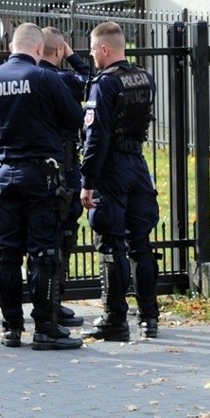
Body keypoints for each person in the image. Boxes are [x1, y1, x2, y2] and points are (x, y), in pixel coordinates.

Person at [0, 22, 85, 350]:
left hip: (6, 174)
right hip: (42, 175)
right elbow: (75, 120)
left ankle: (11, 328)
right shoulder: (45, 78)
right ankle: (45, 328)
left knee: (7, 253)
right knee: (44, 253)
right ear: (39, 49)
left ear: (12, 46)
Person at [79, 21, 161, 341]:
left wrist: (87, 180)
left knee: (111, 243)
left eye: (92, 49)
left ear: (104, 49)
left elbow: (96, 136)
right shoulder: (144, 77)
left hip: (111, 168)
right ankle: (149, 317)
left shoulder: (104, 85)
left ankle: (115, 318)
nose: (90, 55)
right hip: (137, 165)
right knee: (141, 243)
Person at [38, 26, 91, 328]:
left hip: (37, 168)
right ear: (59, 51)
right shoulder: (66, 80)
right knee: (64, 235)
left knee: (44, 239)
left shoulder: (31, 78)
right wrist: (73, 56)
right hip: (65, 167)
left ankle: (51, 304)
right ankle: (54, 302)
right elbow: (93, 82)